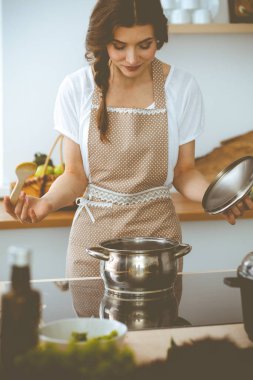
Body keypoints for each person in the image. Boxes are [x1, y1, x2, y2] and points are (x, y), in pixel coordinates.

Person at [4, 0, 253, 279]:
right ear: (102, 41)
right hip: (92, 242)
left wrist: (218, 198)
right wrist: (46, 203)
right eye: (119, 46)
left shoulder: (182, 87)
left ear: (159, 37)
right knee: (90, 324)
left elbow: (184, 173)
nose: (132, 58)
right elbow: (75, 175)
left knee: (162, 322)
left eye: (145, 45)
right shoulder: (76, 88)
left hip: (159, 241)